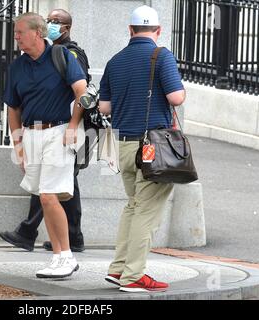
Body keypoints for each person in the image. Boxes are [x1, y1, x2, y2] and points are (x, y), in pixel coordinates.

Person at [99, 5, 186, 292]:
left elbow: (105, 107)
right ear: (158, 31)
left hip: (123, 144)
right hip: (152, 147)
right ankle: (134, 275)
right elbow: (176, 97)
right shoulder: (162, 56)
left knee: (133, 206)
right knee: (146, 211)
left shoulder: (115, 61)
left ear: (130, 30)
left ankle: (119, 269)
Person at [0, 9, 91, 253]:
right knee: (48, 195)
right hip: (32, 135)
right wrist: (18, 145)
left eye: (20, 32)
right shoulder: (18, 66)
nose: (16, 37)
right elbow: (13, 108)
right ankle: (66, 239)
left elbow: (82, 92)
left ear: (37, 33)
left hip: (59, 133)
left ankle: (64, 252)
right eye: (15, 33)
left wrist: (72, 126)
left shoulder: (66, 54)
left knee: (50, 194)